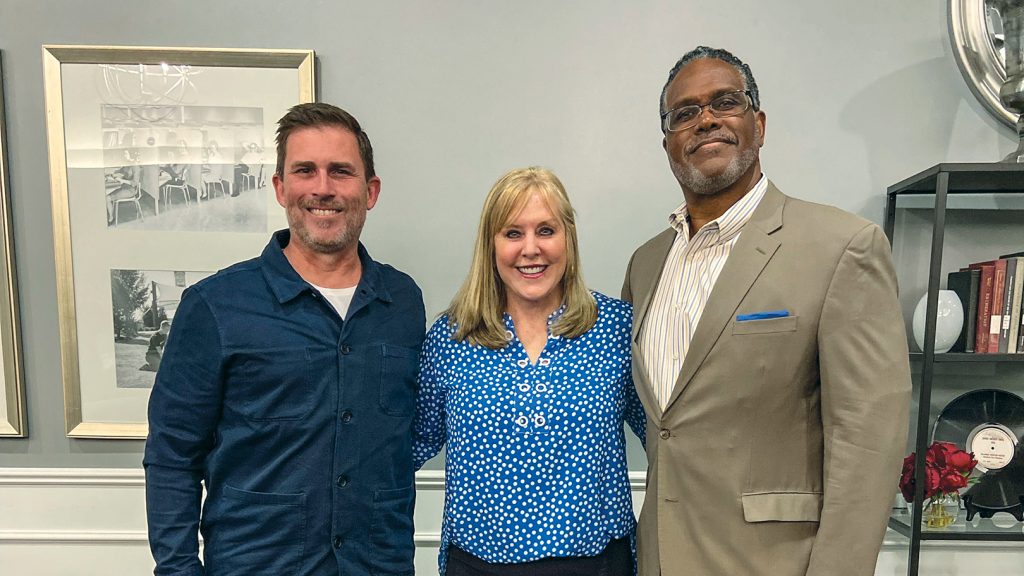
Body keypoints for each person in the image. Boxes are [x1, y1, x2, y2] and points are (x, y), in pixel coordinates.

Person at [621, 46, 911, 576]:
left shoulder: (842, 246)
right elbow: (664, 428)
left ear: (758, 123)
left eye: (724, 102)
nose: (705, 119)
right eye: (684, 113)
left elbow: (868, 441)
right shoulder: (645, 265)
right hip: (659, 556)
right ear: (667, 143)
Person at [144, 103, 426, 576]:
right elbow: (172, 457)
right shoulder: (215, 306)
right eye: (304, 171)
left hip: (378, 565)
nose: (322, 188)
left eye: (341, 172)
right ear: (280, 187)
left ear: (370, 191)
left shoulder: (402, 302)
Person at [414, 167, 646, 576]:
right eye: (513, 233)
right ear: (491, 245)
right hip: (478, 564)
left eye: (546, 230)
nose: (531, 249)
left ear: (568, 240)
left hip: (595, 564)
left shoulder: (617, 329)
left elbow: (667, 439)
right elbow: (409, 445)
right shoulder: (451, 338)